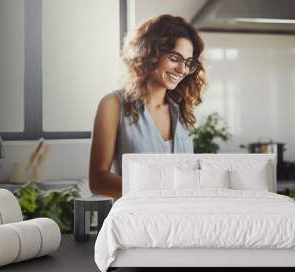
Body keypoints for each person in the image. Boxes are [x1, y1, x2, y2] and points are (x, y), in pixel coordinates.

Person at [88, 14, 207, 198]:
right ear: (150, 53)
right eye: (175, 58)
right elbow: (97, 181)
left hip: (183, 220)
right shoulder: (113, 105)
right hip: (137, 221)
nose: (182, 70)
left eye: (188, 63)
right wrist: (162, 191)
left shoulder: (183, 111)